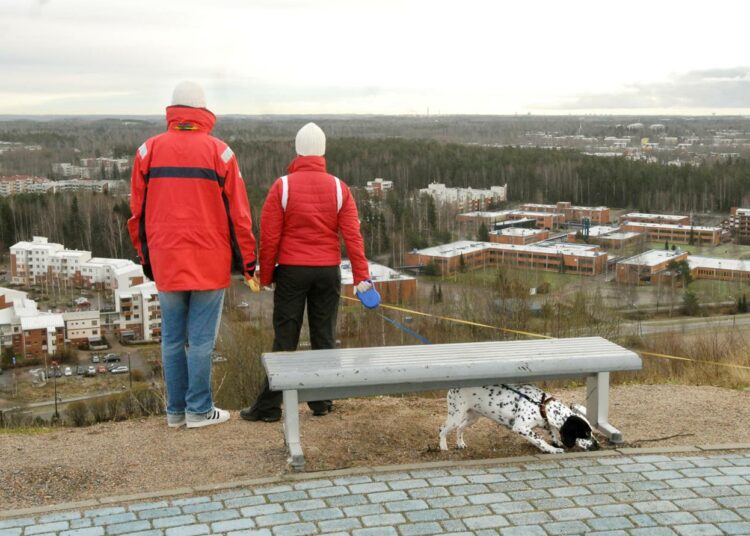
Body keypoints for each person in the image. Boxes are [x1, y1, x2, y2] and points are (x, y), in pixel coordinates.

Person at [128, 81, 257, 429]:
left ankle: (175, 412)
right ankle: (199, 410)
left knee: (171, 338)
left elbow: (137, 215)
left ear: (173, 111)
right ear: (203, 112)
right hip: (209, 262)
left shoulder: (147, 152)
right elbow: (239, 217)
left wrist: (147, 258)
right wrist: (248, 264)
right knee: (200, 339)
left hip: (166, 260)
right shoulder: (221, 153)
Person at [240, 122, 371, 423]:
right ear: (322, 152)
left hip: (292, 271)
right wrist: (362, 277)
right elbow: (353, 238)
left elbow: (270, 238)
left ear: (298, 150)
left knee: (285, 338)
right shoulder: (340, 188)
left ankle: (270, 407)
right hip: (327, 271)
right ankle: (321, 400)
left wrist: (269, 276)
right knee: (324, 335)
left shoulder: (282, 186)